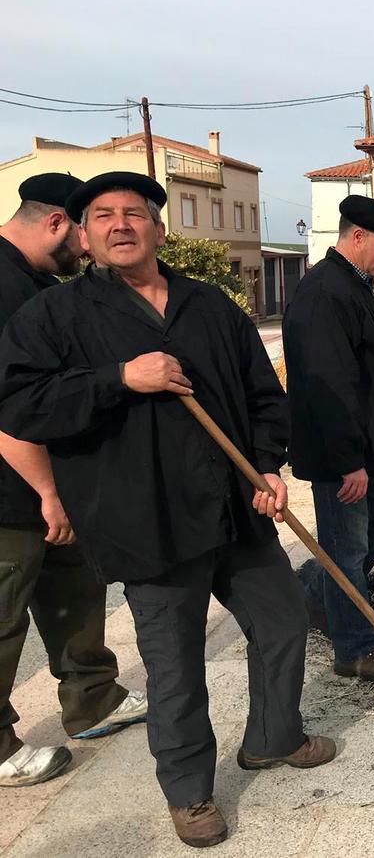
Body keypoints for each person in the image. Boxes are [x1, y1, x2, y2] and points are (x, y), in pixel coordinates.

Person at [0, 172, 334, 848]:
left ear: (158, 228)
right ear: (85, 235)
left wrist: (268, 464)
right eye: (103, 216)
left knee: (283, 623)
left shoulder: (209, 305)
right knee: (176, 668)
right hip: (144, 520)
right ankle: (189, 793)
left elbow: (263, 393)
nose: (120, 225)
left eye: (134, 213)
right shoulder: (54, 317)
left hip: (234, 510)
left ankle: (273, 738)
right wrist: (117, 379)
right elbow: (20, 405)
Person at [0, 174, 148, 788]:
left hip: (49, 482)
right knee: (4, 612)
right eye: (85, 232)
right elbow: (9, 408)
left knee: (73, 590)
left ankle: (93, 698)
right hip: (12, 488)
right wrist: (48, 493)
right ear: (60, 223)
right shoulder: (6, 289)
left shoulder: (34, 281)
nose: (89, 249)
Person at [283, 195, 374, 681]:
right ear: (356, 237)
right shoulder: (324, 293)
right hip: (343, 450)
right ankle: (355, 650)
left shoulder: (361, 282)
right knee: (346, 544)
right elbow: (326, 383)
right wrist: (348, 460)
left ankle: (320, 586)